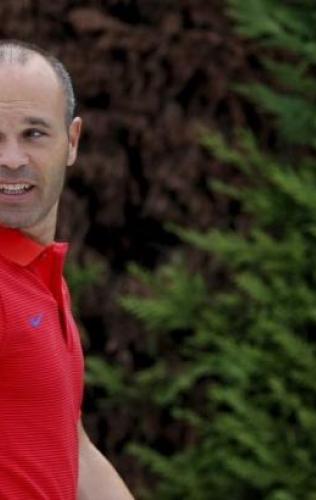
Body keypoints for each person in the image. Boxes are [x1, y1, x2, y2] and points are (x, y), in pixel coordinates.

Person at [0, 40, 134, 499]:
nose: (11, 158)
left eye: (33, 134)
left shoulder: (39, 277)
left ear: (72, 141)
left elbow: (75, 452)